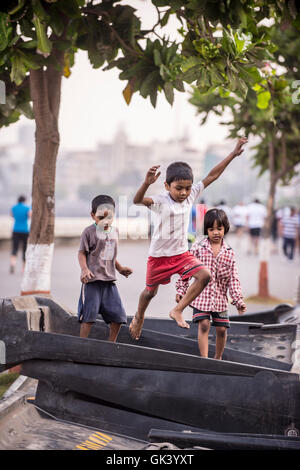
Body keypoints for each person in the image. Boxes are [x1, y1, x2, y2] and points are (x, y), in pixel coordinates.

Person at [129, 137, 248, 340]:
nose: (184, 192)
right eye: (179, 188)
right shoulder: (160, 201)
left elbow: (213, 175)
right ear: (167, 186)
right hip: (159, 256)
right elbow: (137, 200)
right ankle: (139, 316)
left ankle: (177, 310)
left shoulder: (192, 194)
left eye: (187, 187)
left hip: (181, 254)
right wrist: (146, 183)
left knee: (204, 275)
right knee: (149, 293)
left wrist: (233, 154)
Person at [175, 208, 246, 360]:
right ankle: (205, 359)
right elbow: (186, 269)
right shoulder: (198, 248)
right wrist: (181, 290)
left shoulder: (229, 252)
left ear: (225, 229)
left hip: (220, 299)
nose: (215, 233)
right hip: (201, 296)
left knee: (221, 329)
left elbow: (233, 278)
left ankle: (218, 358)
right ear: (206, 229)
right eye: (211, 229)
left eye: (219, 229)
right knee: (204, 325)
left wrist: (238, 300)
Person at [77, 194, 133, 340]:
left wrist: (120, 269)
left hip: (109, 281)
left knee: (118, 316)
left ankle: (111, 345)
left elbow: (109, 255)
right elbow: (82, 252)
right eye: (101, 218)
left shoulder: (114, 232)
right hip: (92, 281)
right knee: (89, 317)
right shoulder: (88, 232)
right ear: (93, 215)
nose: (105, 222)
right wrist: (84, 269)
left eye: (109, 218)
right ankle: (82, 345)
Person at [10, 195, 31, 273]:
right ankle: (23, 268)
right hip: (25, 230)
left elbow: (12, 215)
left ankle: (13, 263)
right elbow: (30, 216)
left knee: (14, 248)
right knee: (24, 249)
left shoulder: (14, 208)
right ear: (24, 200)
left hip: (15, 230)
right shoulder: (27, 208)